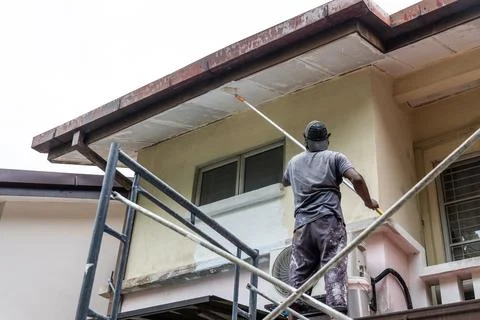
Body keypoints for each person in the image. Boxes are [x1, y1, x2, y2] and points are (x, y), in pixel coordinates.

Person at [282, 120, 379, 318]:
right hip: (328, 221)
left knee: (300, 272)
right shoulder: (335, 157)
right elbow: (357, 179)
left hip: (302, 227)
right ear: (327, 139)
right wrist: (368, 202)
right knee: (333, 264)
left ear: (306, 140)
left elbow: (285, 181)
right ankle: (336, 308)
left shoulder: (293, 163)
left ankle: (293, 310)